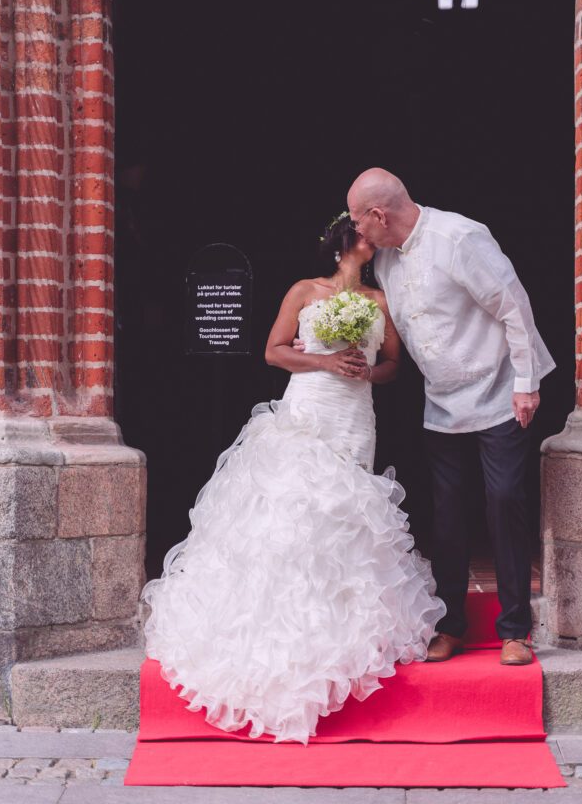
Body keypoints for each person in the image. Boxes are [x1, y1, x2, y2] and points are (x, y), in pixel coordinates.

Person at [140, 213, 446, 745]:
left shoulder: (378, 301)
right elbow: (273, 351)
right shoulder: (306, 290)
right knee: (296, 507)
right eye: (367, 233)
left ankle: (346, 624)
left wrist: (365, 371)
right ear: (348, 239)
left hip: (355, 416)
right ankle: (284, 630)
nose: (375, 240)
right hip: (309, 408)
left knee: (345, 511)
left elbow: (395, 363)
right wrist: (327, 365)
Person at [346, 168, 556, 666]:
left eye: (359, 222)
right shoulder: (387, 262)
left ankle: (514, 631)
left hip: (500, 390)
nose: (357, 232)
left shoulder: (459, 237)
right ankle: (451, 625)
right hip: (442, 402)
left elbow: (514, 307)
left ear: (379, 215)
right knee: (447, 515)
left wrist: (526, 383)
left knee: (504, 500)